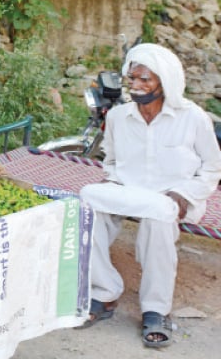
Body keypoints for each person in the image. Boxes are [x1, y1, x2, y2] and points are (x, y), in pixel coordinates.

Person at [77, 43, 221, 348]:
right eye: (133, 79)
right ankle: (104, 293)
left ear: (164, 81)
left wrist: (184, 194)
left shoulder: (193, 118)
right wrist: (114, 183)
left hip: (174, 198)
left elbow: (212, 169)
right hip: (130, 191)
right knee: (87, 204)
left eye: (145, 79)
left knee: (159, 220)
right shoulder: (118, 118)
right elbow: (112, 162)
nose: (136, 86)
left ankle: (156, 310)